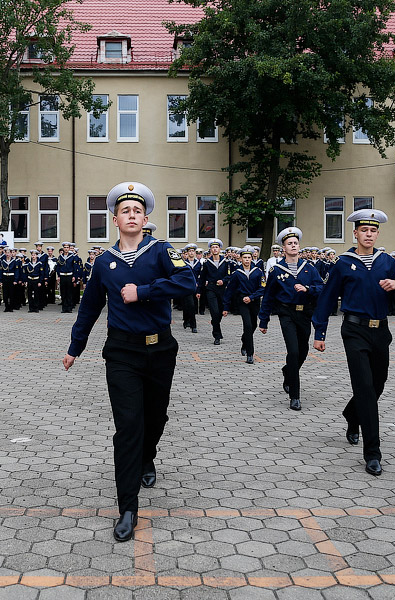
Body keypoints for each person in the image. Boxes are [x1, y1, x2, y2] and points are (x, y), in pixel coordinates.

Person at [62, 182, 196, 543]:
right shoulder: (104, 262)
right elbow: (90, 307)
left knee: (157, 416)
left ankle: (147, 456)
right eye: (126, 211)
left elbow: (187, 281)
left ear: (146, 218)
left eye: (138, 211)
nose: (132, 215)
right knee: (128, 426)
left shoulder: (162, 251)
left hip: (161, 349)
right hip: (121, 352)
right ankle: (127, 508)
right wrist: (76, 346)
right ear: (115, 219)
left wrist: (145, 292)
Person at [312, 209, 395, 477]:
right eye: (364, 231)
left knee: (378, 384)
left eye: (373, 231)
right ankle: (373, 454)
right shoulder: (343, 263)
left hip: (380, 331)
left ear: (377, 234)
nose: (368, 235)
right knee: (366, 389)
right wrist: (319, 333)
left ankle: (351, 413)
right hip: (354, 331)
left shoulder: (386, 261)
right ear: (355, 233)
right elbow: (326, 298)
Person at [258, 227, 323, 411]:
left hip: (305, 314)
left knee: (303, 350)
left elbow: (321, 288)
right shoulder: (277, 270)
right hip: (286, 313)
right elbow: (269, 296)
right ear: (283, 248)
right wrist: (263, 321)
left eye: (295, 243)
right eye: (289, 244)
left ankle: (288, 372)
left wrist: (308, 289)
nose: (293, 246)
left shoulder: (309, 268)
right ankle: (295, 396)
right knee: (293, 351)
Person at [222, 247, 265, 364]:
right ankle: (250, 354)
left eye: (249, 258)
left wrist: (251, 297)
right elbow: (229, 291)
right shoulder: (236, 273)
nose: (247, 260)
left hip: (254, 301)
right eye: (244, 258)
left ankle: (244, 339)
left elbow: (262, 288)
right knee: (247, 325)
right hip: (242, 302)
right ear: (241, 259)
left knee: (253, 325)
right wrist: (225, 307)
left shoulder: (258, 271)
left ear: (252, 258)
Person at [201, 239, 232, 345]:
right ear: (210, 249)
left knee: (219, 312)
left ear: (220, 249)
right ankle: (217, 335)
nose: (215, 249)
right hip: (211, 288)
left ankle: (215, 323)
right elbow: (202, 278)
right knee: (214, 311)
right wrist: (198, 291)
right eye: (213, 247)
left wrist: (223, 281)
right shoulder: (206, 263)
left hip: (222, 289)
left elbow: (230, 275)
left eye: (217, 247)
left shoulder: (226, 262)